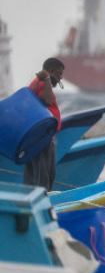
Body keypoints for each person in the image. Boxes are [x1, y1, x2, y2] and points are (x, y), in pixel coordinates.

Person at [24, 58, 65, 191]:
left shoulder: (39, 83)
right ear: (51, 70)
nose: (60, 78)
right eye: (60, 73)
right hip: (42, 140)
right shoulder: (42, 82)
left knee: (39, 179)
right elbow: (47, 100)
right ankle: (39, 209)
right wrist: (47, 78)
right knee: (42, 181)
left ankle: (33, 208)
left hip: (40, 138)